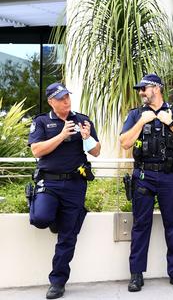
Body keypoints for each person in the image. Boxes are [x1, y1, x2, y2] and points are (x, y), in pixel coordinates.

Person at [119, 74, 173, 292]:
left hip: (170, 176)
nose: (141, 92)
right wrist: (141, 122)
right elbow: (124, 143)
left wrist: (169, 122)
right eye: (140, 89)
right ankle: (136, 274)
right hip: (144, 176)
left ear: (157, 88)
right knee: (140, 225)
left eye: (144, 88)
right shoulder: (135, 115)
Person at [27, 82, 101, 299]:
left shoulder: (82, 120)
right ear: (51, 102)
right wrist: (60, 136)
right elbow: (36, 150)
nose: (66, 101)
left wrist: (88, 139)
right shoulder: (41, 121)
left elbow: (97, 151)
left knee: (68, 236)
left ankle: (57, 282)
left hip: (75, 184)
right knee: (41, 218)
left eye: (68, 97)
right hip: (48, 183)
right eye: (61, 98)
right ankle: (50, 214)